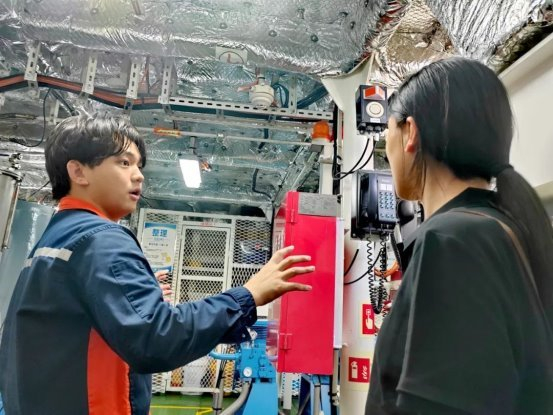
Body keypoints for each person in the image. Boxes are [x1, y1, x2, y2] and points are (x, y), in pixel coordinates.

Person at [0, 113, 314, 415]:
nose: (139, 175)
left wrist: (133, 302)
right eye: (124, 162)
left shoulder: (55, 238)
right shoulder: (101, 238)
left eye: (139, 165)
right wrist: (247, 295)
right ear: (78, 172)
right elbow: (154, 339)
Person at [366, 57, 553, 415]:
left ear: (410, 133)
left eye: (387, 132)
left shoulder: (453, 241)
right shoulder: (500, 228)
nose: (386, 148)